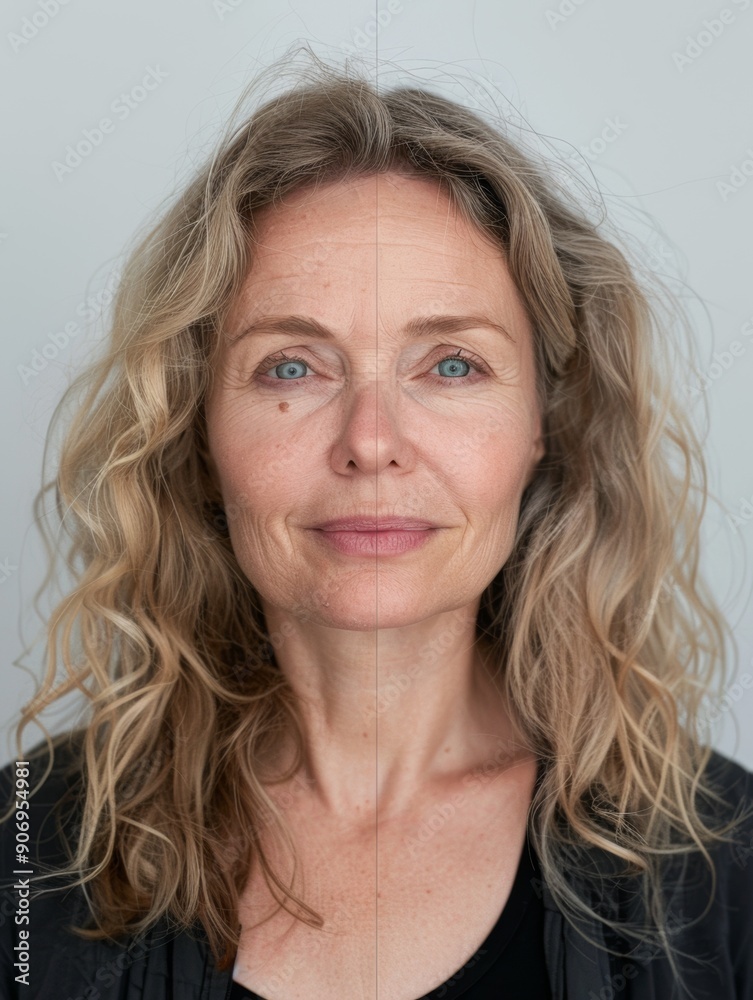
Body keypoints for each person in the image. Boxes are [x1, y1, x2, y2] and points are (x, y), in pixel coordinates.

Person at [2, 51, 753, 1000]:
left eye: (449, 366)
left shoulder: (722, 868)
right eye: (290, 367)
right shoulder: (25, 850)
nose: (369, 442)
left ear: (544, 426)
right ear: (194, 429)